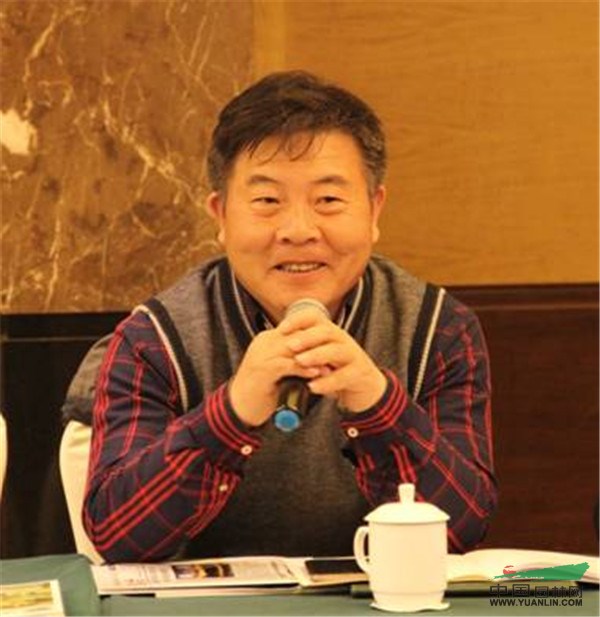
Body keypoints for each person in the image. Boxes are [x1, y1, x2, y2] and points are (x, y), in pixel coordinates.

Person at [81, 71, 497, 563]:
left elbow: (462, 529)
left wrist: (376, 402)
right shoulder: (154, 340)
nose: (298, 230)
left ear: (374, 210)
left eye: (328, 200)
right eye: (267, 201)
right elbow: (117, 537)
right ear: (220, 215)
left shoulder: (437, 330)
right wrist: (232, 412)